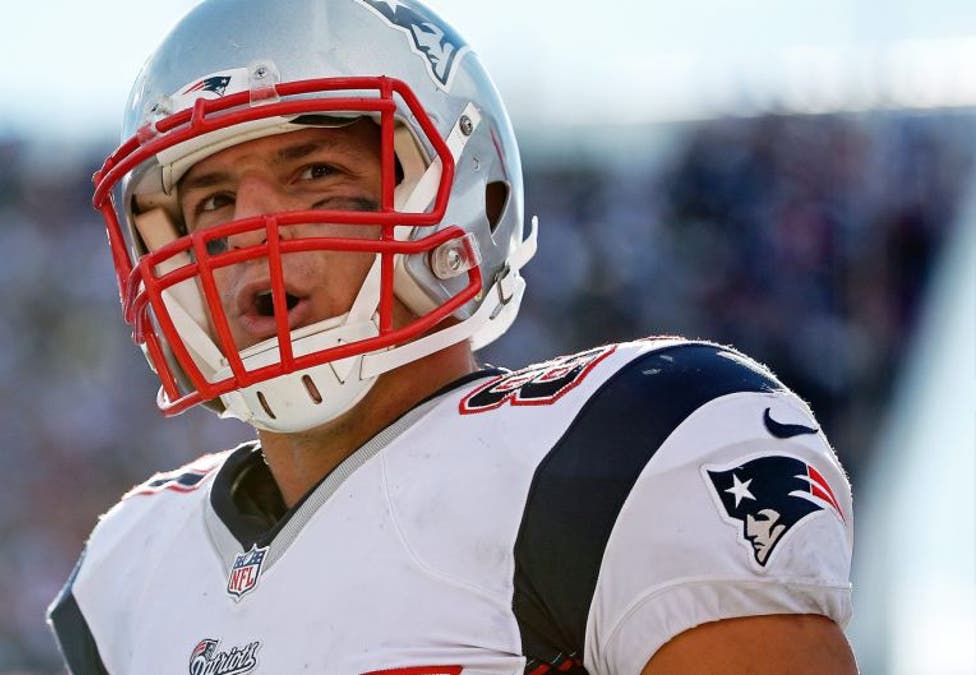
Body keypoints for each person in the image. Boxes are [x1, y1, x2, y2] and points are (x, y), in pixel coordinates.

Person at [47, 0, 857, 673]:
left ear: (457, 193)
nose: (249, 226)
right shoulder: (134, 562)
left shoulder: (613, 448)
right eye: (212, 198)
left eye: (314, 173)